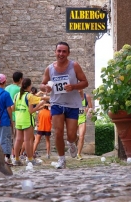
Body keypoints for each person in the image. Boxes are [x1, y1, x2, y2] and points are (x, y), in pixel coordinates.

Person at [40, 41, 88, 169]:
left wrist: (73, 86)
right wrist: (46, 88)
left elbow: (85, 82)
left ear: (68, 53)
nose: (61, 54)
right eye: (59, 51)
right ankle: (62, 160)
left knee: (71, 135)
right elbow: (42, 84)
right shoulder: (49, 68)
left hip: (72, 104)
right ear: (55, 52)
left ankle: (72, 143)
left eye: (64, 51)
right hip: (56, 103)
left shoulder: (74, 66)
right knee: (58, 132)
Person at [12, 78, 45, 166]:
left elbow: (13, 108)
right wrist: (40, 105)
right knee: (27, 140)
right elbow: (31, 111)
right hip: (27, 119)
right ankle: (30, 159)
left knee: (18, 139)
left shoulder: (17, 95)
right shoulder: (29, 96)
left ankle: (16, 159)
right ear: (29, 86)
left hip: (18, 119)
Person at [0, 74, 14, 164]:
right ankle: (5, 158)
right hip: (4, 119)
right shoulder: (5, 94)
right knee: (5, 138)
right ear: (4, 82)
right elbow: (9, 108)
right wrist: (11, 120)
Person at [5, 71, 23, 159]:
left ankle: (8, 154)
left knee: (8, 135)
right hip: (16, 115)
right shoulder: (19, 89)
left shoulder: (7, 87)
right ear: (20, 79)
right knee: (16, 136)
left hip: (6, 114)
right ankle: (14, 154)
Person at [76, 89, 93, 160]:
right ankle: (75, 139)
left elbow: (91, 109)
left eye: (80, 88)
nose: (79, 90)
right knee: (72, 136)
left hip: (82, 119)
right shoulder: (73, 97)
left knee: (82, 136)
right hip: (74, 119)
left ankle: (78, 154)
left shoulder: (87, 97)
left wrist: (88, 111)